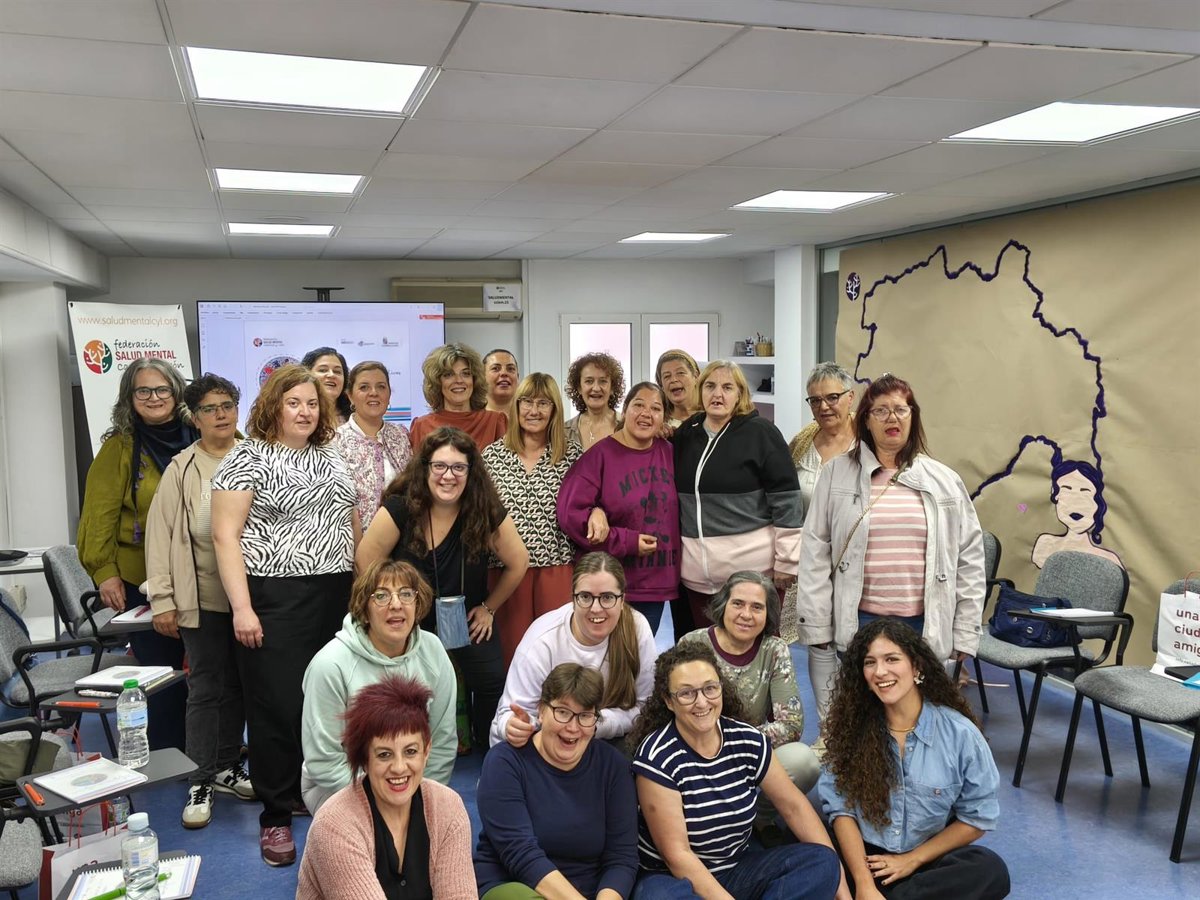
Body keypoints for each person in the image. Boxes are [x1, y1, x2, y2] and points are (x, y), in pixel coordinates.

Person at [211, 363, 360, 866]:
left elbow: (351, 522)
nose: (305, 411)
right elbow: (224, 537)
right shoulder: (246, 457)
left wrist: (361, 589)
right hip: (274, 595)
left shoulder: (332, 455)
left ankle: (308, 791)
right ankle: (275, 815)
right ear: (273, 406)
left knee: (328, 701)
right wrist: (242, 608)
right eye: (294, 402)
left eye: (312, 403)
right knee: (275, 706)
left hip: (336, 591)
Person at [796, 373, 985, 709]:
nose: (891, 418)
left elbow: (969, 560)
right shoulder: (836, 474)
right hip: (859, 622)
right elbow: (815, 554)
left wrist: (966, 631)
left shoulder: (944, 481)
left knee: (918, 719)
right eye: (880, 411)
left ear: (913, 416)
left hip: (923, 626)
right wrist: (817, 625)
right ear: (866, 420)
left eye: (900, 409)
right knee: (858, 719)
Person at [629, 643, 848, 900]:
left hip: (735, 868)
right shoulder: (657, 756)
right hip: (673, 878)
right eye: (686, 693)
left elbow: (794, 807)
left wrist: (842, 890)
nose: (702, 702)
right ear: (668, 701)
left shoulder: (747, 739)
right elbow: (677, 856)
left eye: (710, 688)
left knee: (823, 862)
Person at [357, 427, 528, 750]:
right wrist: (389, 609)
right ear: (425, 468)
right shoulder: (401, 508)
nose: (448, 476)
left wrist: (489, 609)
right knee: (405, 691)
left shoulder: (484, 509)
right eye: (439, 466)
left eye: (458, 467)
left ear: (470, 472)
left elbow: (518, 562)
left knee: (492, 683)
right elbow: (366, 560)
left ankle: (491, 754)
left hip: (465, 619)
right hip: (408, 619)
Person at [818, 618, 1010, 900]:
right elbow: (840, 811)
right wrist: (864, 884)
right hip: (863, 859)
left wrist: (911, 860)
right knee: (810, 855)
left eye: (892, 659)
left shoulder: (960, 733)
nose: (880, 671)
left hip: (925, 859)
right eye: (870, 662)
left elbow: (977, 817)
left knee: (990, 869)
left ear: (916, 666)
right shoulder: (850, 729)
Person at [144, 372, 254, 829]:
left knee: (241, 686)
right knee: (206, 688)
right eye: (210, 408)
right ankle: (201, 778)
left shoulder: (258, 456)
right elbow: (160, 536)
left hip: (252, 599)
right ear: (195, 417)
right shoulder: (182, 468)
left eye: (227, 405)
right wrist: (163, 600)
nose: (221, 415)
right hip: (203, 598)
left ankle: (228, 765)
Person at [78, 357, 196, 752]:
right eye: (143, 390)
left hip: (205, 575)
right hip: (141, 578)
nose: (154, 397)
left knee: (211, 669)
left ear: (177, 393)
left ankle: (210, 747)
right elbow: (97, 516)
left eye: (162, 389)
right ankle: (170, 752)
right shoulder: (120, 447)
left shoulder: (204, 433)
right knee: (162, 672)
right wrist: (105, 572)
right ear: (130, 398)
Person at [296, 676, 477, 900]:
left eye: (410, 751)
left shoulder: (448, 807)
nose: (399, 767)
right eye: (384, 754)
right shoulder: (334, 825)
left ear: (427, 750)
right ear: (364, 759)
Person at [301, 559, 457, 815]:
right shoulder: (329, 665)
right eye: (381, 596)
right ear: (364, 609)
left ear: (417, 604)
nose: (396, 605)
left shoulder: (434, 651)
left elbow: (442, 740)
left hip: (410, 786)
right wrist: (387, 804)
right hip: (342, 788)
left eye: (406, 594)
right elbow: (325, 761)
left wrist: (417, 801)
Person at [474, 663, 638, 900]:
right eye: (562, 712)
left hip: (589, 890)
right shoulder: (504, 762)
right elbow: (520, 853)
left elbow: (621, 858)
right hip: (514, 884)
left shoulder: (613, 766)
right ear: (541, 711)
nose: (572, 727)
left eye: (585, 716)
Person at [672, 360, 803, 630]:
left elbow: (787, 499)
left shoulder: (761, 433)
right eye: (710, 386)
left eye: (727, 387)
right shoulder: (686, 434)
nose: (717, 394)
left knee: (757, 651)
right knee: (707, 651)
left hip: (753, 578)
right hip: (698, 581)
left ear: (740, 394)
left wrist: (788, 560)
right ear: (700, 390)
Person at [678, 572, 819, 805]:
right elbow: (676, 712)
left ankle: (760, 817)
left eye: (757, 607)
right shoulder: (692, 643)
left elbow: (791, 726)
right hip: (697, 752)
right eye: (737, 604)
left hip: (749, 752)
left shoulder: (774, 649)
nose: (746, 614)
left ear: (768, 613)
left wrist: (731, 744)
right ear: (723, 605)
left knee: (803, 762)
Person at [491, 552, 656, 750]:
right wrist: (514, 726)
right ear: (573, 598)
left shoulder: (637, 629)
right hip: (546, 737)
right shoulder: (542, 640)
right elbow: (509, 714)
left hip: (603, 737)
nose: (596, 608)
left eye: (607, 597)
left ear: (622, 601)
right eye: (585, 597)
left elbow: (647, 708)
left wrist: (595, 724)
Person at [558, 382, 680, 633]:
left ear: (663, 419)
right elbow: (570, 514)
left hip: (655, 585)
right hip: (606, 582)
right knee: (599, 654)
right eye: (639, 405)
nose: (646, 413)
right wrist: (625, 540)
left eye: (656, 408)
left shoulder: (671, 453)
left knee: (636, 653)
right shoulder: (599, 456)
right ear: (624, 411)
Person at [482, 373, 582, 665]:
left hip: (556, 567)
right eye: (526, 402)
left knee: (558, 654)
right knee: (512, 655)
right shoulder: (492, 456)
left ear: (554, 410)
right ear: (516, 406)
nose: (533, 410)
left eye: (543, 403)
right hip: (505, 571)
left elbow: (589, 504)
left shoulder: (572, 456)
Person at [784, 361, 858, 714]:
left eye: (832, 398)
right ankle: (830, 729)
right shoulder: (801, 442)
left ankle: (862, 728)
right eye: (814, 400)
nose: (823, 407)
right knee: (818, 641)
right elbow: (784, 496)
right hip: (810, 562)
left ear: (850, 397)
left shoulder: (869, 440)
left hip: (856, 561)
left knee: (857, 645)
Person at [335, 360, 413, 529]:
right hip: (355, 538)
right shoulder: (335, 442)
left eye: (381, 387)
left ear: (389, 394)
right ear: (350, 396)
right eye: (364, 387)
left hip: (406, 535)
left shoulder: (402, 435)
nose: (374, 393)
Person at [409, 343, 507, 449]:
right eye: (449, 374)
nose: (459, 380)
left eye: (466, 374)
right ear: (437, 382)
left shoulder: (495, 422)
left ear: (474, 380)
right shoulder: (421, 426)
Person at [1031, 457, 1123, 569]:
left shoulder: (1109, 561)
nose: (1076, 503)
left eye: (1085, 492)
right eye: (1067, 490)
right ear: (1055, 495)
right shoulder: (1045, 546)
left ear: (1098, 502)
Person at [564, 352, 625, 452]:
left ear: (612, 388)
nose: (596, 388)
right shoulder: (565, 432)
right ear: (579, 387)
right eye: (589, 381)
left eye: (603, 381)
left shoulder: (626, 426)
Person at [302, 346, 352, 425]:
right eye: (323, 370)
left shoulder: (356, 416)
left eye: (337, 371)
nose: (331, 375)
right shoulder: (298, 414)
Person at [655, 349, 700, 428]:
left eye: (680, 373)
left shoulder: (712, 415)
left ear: (696, 376)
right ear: (661, 385)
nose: (673, 380)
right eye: (667, 376)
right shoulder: (658, 424)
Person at [484, 348, 520, 416]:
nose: (504, 373)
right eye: (495, 368)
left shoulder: (530, 417)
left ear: (518, 377)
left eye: (510, 369)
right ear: (482, 377)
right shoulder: (472, 419)